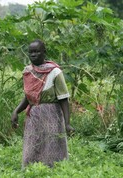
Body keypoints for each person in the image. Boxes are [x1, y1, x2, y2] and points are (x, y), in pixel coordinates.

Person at [11, 39, 75, 168]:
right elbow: (28, 97)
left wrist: (67, 123)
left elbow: (63, 98)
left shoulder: (55, 72)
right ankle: (31, 171)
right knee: (33, 143)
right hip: (34, 115)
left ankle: (53, 171)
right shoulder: (28, 71)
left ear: (44, 52)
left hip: (52, 115)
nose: (33, 55)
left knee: (52, 145)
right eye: (31, 52)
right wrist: (16, 111)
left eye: (37, 52)